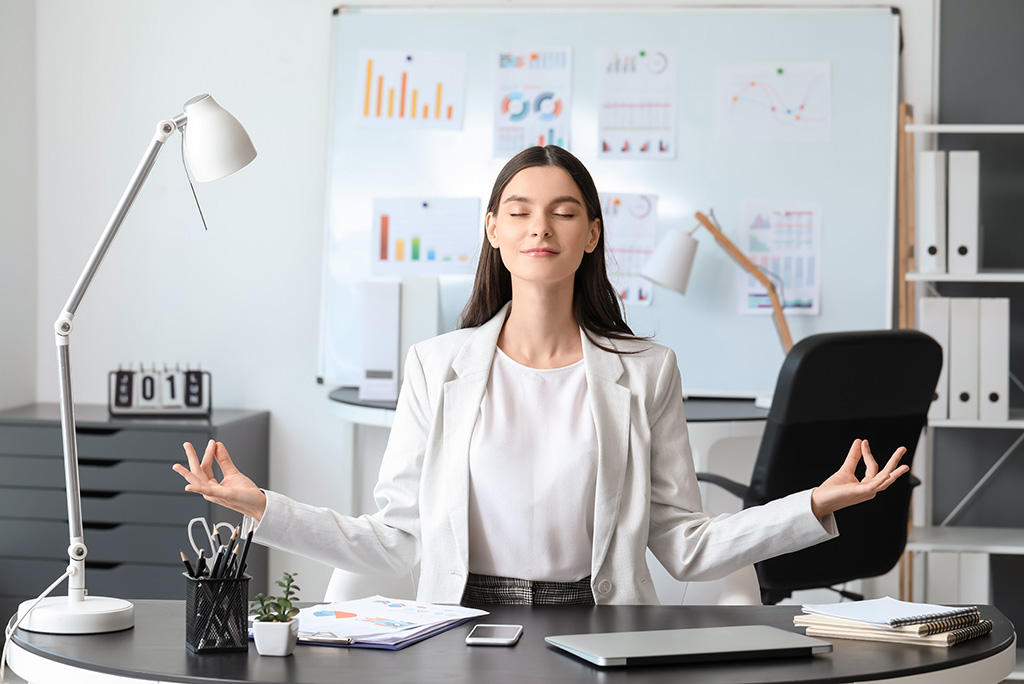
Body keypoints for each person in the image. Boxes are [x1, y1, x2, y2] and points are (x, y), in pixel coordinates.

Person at [173, 145, 909, 606]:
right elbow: (394, 540)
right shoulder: (437, 365)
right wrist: (261, 506)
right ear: (494, 229)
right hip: (462, 624)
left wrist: (815, 504)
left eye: (563, 213)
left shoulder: (647, 371)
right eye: (520, 211)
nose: (540, 228)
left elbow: (684, 545)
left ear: (591, 235)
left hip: (598, 622)